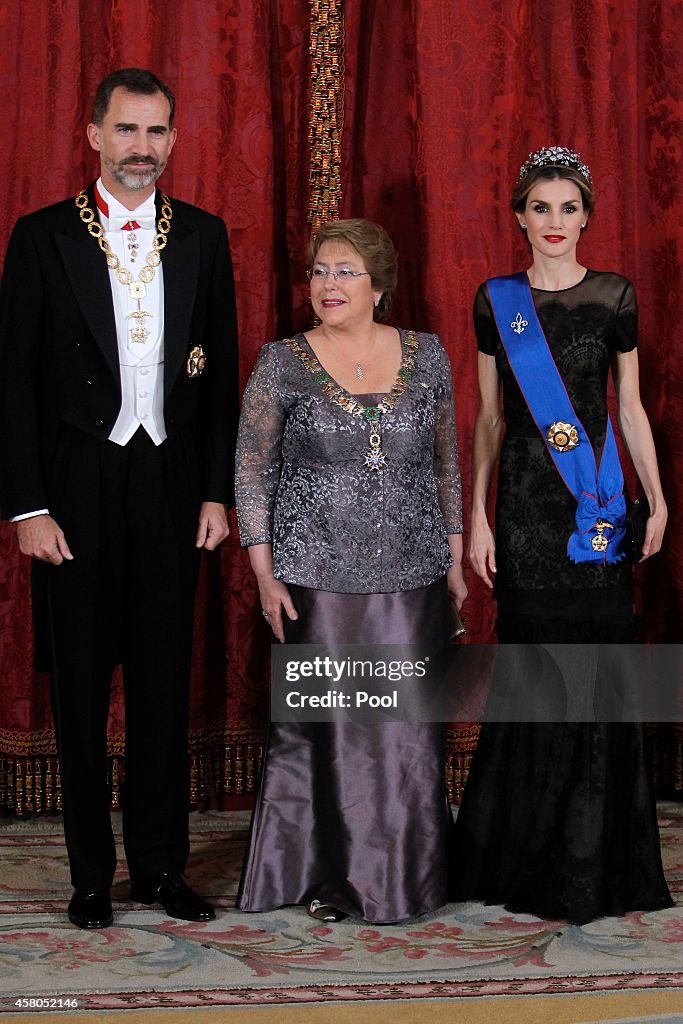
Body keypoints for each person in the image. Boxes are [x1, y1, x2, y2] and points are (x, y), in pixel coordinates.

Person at [0, 68, 239, 929]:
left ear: (174, 140)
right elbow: (13, 383)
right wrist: (27, 507)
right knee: (79, 689)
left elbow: (221, 386)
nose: (143, 148)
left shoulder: (204, 237)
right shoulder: (40, 237)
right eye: (128, 130)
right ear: (94, 132)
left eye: (158, 132)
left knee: (163, 689)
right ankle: (91, 876)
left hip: (170, 487)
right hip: (75, 491)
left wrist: (217, 493)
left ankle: (162, 871)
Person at [452, 146, 673, 923]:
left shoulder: (614, 296)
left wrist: (657, 496)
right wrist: (475, 517)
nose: (554, 222)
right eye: (539, 207)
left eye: (567, 208)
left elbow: (631, 407)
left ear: (585, 216)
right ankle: (522, 853)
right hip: (521, 507)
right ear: (518, 214)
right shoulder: (494, 300)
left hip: (598, 504)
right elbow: (486, 420)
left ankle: (594, 855)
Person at [234, 218, 465, 923]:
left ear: (379, 285)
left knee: (403, 731)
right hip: (315, 576)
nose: (327, 285)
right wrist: (264, 575)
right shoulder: (281, 363)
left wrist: (453, 560)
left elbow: (445, 463)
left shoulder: (428, 357)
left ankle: (410, 876)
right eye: (319, 272)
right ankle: (332, 879)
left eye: (344, 271)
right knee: (333, 728)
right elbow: (251, 471)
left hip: (414, 571)